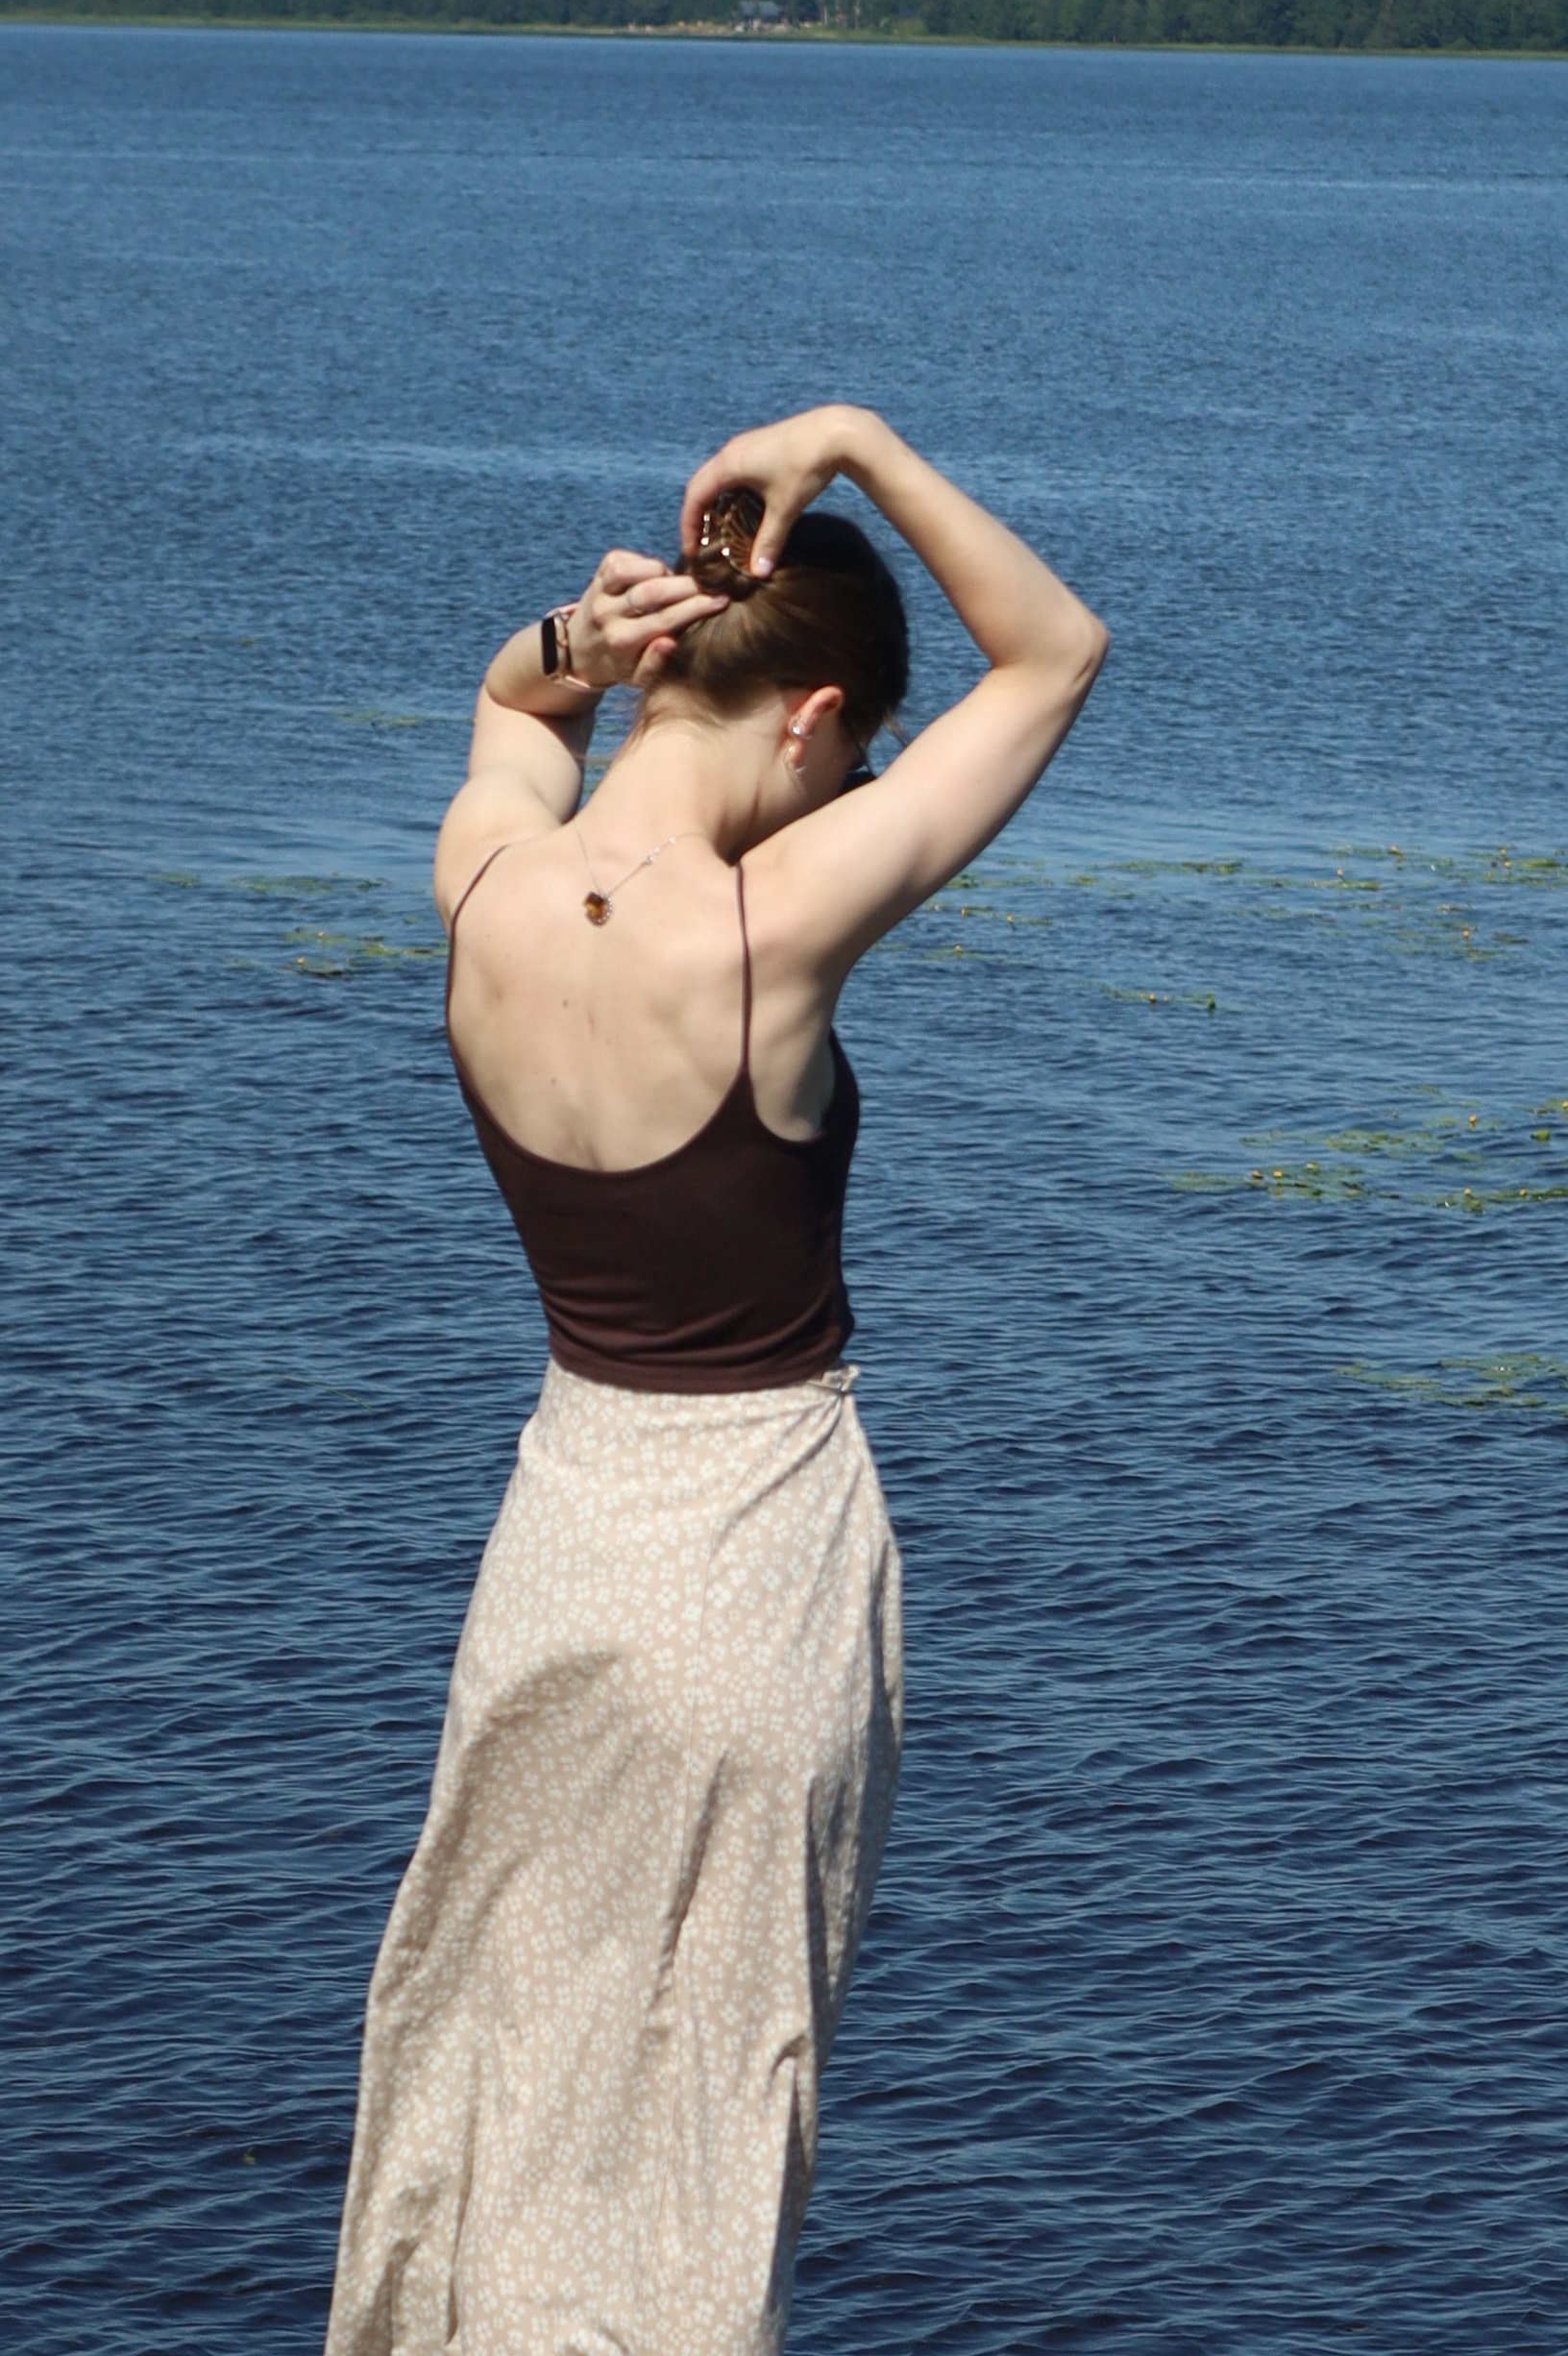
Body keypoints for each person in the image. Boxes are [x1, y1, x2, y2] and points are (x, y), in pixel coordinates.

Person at [326, 404, 1108, 2356]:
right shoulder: (769, 935)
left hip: (561, 1543)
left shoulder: (481, 887)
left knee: (499, 2028)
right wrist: (846, 442)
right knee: (700, 2074)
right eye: (848, 745)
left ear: (652, 664)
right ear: (809, 713)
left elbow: (506, 704)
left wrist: (577, 642)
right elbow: (1057, 652)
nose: (833, 783)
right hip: (753, 1546)